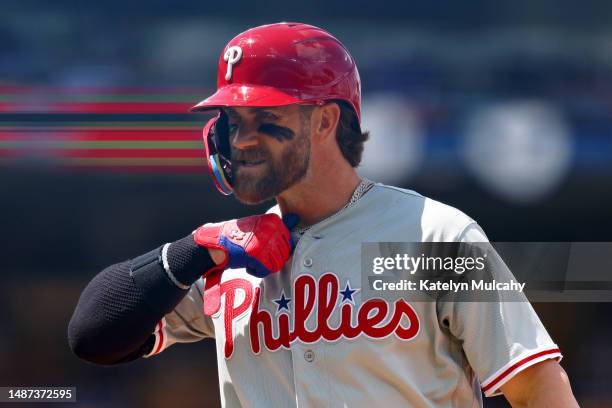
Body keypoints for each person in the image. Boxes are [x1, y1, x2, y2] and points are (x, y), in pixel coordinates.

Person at [68, 22, 578, 407]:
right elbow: (93, 337)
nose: (242, 140)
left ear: (326, 121)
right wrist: (191, 253)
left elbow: (535, 385)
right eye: (232, 122)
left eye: (265, 118)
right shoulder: (226, 254)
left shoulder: (436, 236)